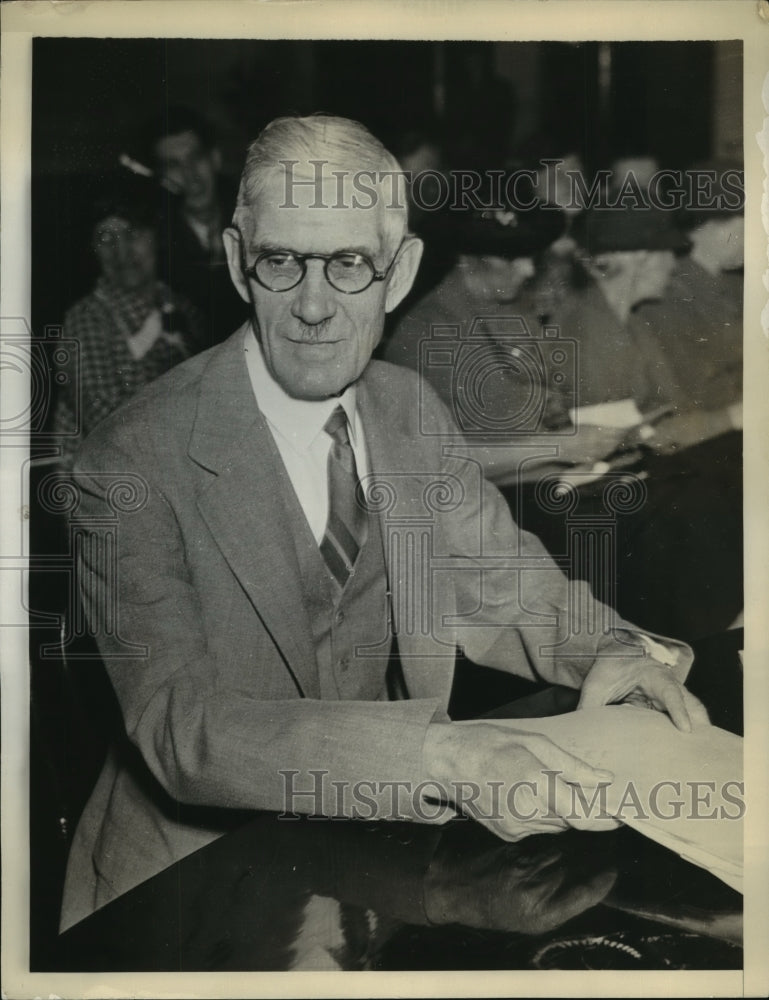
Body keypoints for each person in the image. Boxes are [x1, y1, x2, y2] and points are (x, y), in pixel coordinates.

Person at [60, 116, 706, 933]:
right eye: (282, 261)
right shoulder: (128, 459)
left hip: (375, 864)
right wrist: (438, 754)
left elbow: (505, 584)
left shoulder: (409, 410)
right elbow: (181, 728)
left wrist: (607, 649)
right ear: (237, 264)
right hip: (193, 888)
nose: (315, 307)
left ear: (400, 273)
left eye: (350, 263)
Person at [52, 172, 205, 471]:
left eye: (133, 233)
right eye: (105, 238)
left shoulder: (183, 307)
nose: (121, 252)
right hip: (116, 487)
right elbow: (105, 427)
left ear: (156, 236)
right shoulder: (87, 319)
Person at [141, 104, 248, 346]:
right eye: (174, 165)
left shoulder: (252, 217)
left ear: (215, 159)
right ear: (161, 179)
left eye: (195, 158)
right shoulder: (155, 241)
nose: (190, 175)